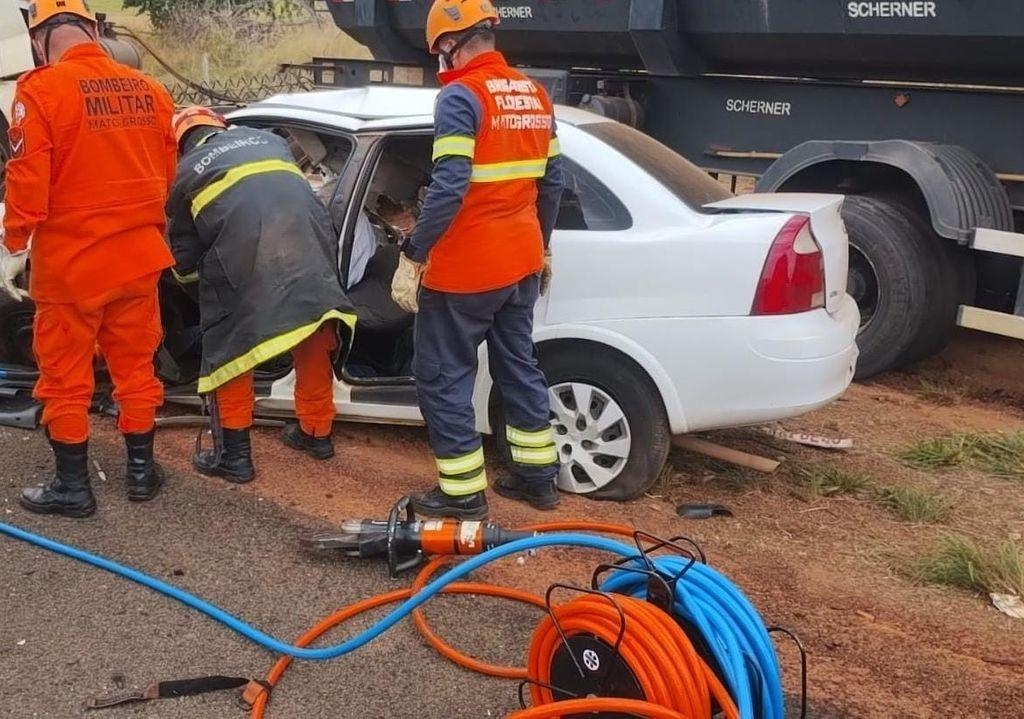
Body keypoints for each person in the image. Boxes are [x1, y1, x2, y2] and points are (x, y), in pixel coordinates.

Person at [0, 0, 178, 518]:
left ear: (39, 41)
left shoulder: (40, 90)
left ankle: (73, 488)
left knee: (65, 377)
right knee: (136, 369)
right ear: (93, 30)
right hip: (139, 259)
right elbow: (167, 174)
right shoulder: (151, 89)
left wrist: (14, 241)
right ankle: (141, 474)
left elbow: (27, 180)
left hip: (72, 267)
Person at [390, 0, 565, 520]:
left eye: (438, 51)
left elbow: (449, 186)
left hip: (466, 269)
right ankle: (538, 479)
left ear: (450, 44)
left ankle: (463, 492)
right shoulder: (535, 94)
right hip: (520, 262)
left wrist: (414, 252)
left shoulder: (460, 96)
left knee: (442, 376)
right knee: (518, 365)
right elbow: (554, 182)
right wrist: (542, 245)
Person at [166, 107, 357, 483]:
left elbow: (184, 258)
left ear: (179, 145)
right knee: (313, 334)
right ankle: (316, 432)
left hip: (248, 268)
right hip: (311, 255)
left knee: (232, 353)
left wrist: (191, 285)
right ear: (219, 124)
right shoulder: (270, 141)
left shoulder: (184, 173)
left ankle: (234, 456)